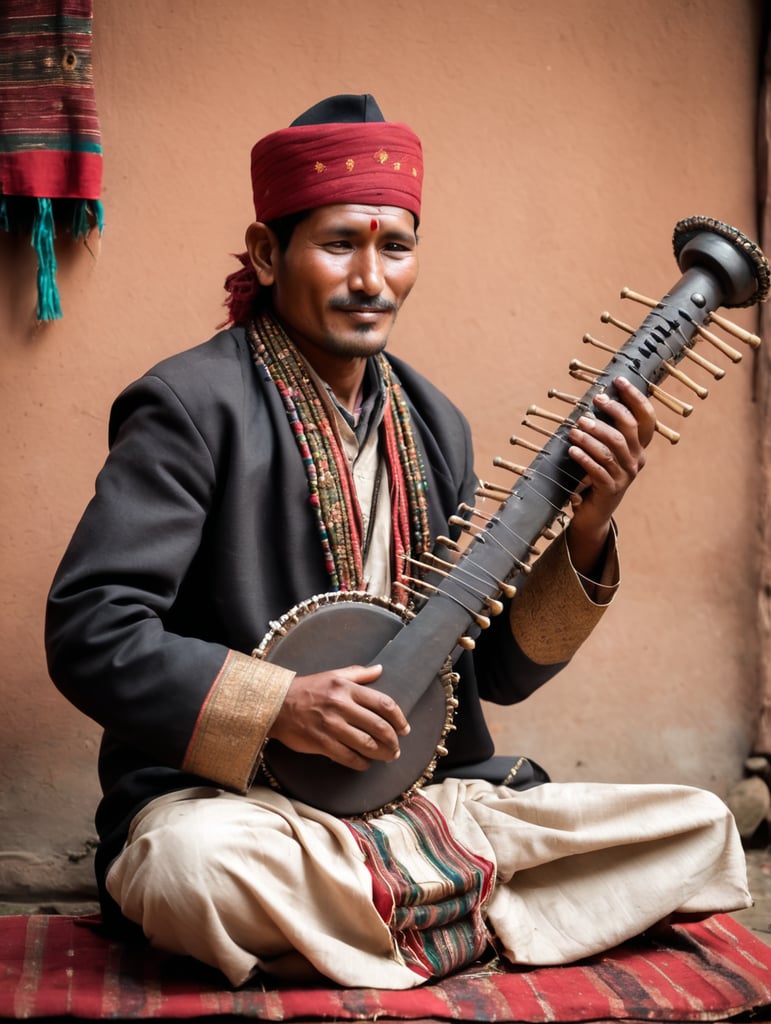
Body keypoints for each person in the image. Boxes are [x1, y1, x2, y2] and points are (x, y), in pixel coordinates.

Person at [45, 94, 750, 990]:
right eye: (340, 243)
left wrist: (589, 525)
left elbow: (489, 673)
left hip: (419, 803)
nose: (371, 279)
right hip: (244, 810)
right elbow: (90, 628)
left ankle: (373, 913)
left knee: (697, 828)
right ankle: (468, 913)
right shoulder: (189, 408)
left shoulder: (433, 426)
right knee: (193, 873)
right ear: (267, 254)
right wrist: (281, 705)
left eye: (396, 246)